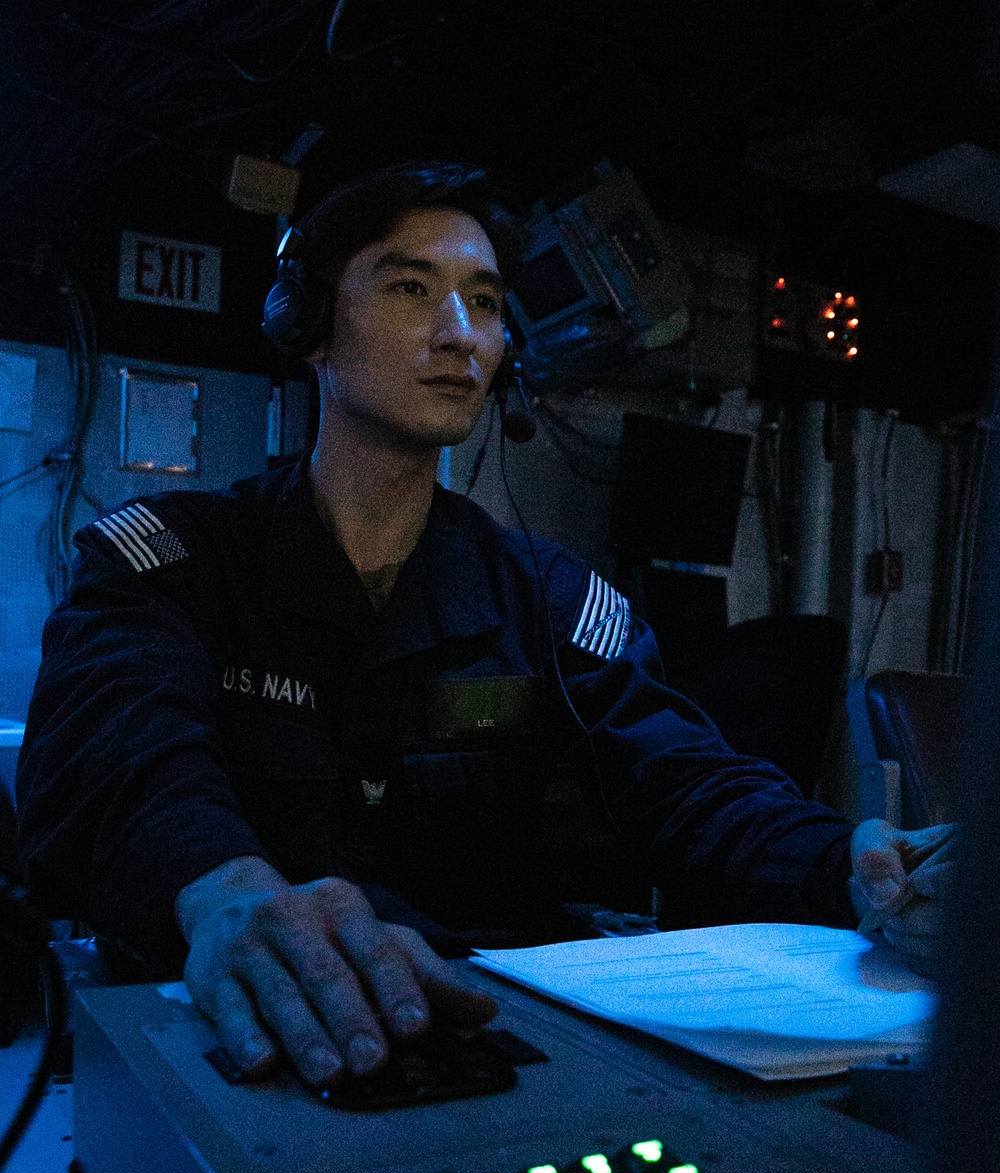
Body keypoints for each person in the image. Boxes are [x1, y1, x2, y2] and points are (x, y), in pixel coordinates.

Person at [16, 161, 950, 1092]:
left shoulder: (544, 601)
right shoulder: (173, 564)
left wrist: (850, 861)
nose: (460, 333)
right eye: (411, 288)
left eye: (486, 302)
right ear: (310, 329)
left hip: (482, 1043)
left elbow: (687, 782)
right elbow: (121, 748)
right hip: (236, 1041)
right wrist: (225, 891)